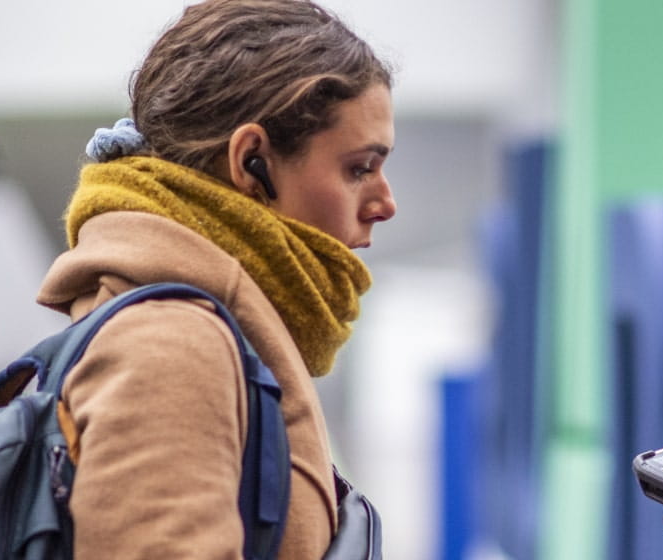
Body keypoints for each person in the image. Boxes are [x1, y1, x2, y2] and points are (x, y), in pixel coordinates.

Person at [34, 0, 395, 557]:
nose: (384, 202)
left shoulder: (216, 333)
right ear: (252, 161)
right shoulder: (172, 348)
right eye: (359, 169)